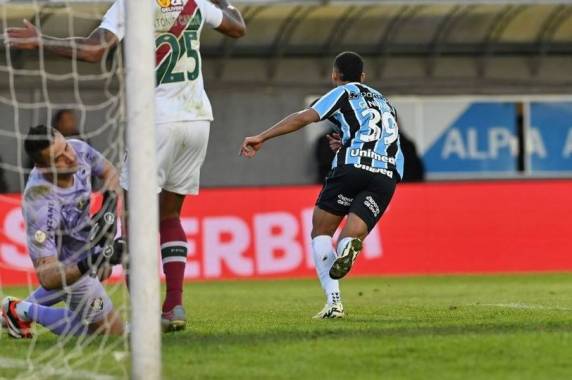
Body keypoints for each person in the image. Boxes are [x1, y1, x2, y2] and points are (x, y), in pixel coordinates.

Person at [7, 0, 247, 332]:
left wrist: (41, 41)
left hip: (155, 122)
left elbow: (94, 50)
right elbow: (237, 27)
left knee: (136, 228)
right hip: (198, 118)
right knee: (170, 216)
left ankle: (147, 318)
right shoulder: (195, 2)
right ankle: (173, 304)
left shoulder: (132, 5)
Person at [241, 52, 404, 319]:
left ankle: (334, 302)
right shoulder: (386, 103)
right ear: (364, 77)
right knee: (351, 234)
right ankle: (348, 246)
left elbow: (304, 117)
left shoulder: (343, 91)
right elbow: (387, 139)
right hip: (385, 175)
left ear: (334, 75)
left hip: (352, 167)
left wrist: (262, 137)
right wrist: (349, 142)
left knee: (321, 230)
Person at [1, 125, 125, 338]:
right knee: (112, 334)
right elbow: (47, 277)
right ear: (43, 168)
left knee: (104, 272)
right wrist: (89, 263)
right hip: (66, 263)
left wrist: (110, 207)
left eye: (66, 147)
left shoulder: (78, 149)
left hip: (86, 241)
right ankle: (26, 310)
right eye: (59, 157)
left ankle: (16, 310)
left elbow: (110, 173)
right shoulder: (38, 201)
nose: (70, 157)